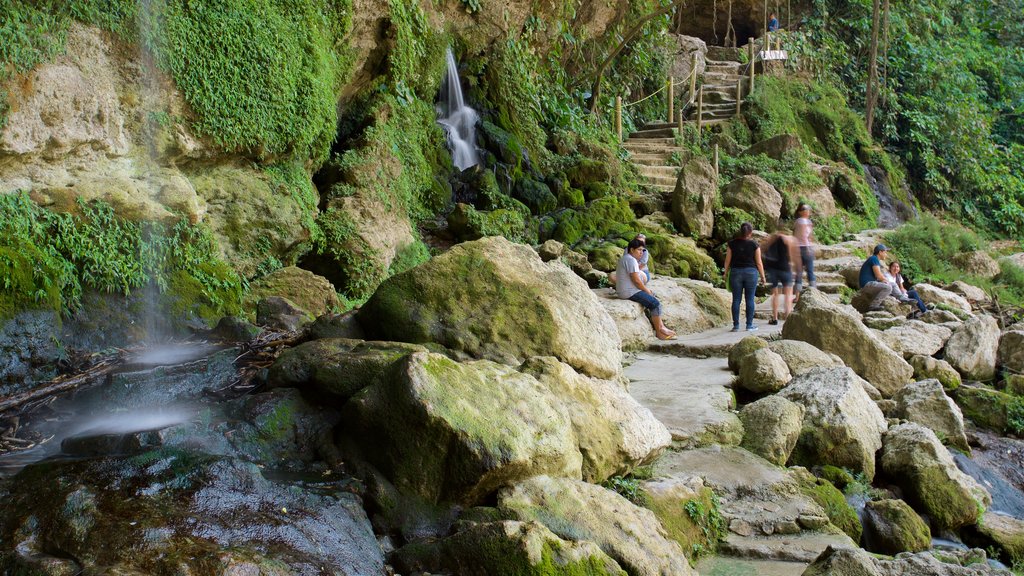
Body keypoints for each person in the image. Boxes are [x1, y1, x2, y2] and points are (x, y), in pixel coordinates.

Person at [616, 238, 676, 340]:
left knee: (653, 298)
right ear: (631, 249)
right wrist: (646, 290)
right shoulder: (631, 260)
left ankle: (662, 327)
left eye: (643, 250)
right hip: (629, 292)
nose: (641, 253)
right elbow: (636, 280)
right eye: (639, 250)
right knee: (655, 304)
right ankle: (660, 332)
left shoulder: (626, 258)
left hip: (625, 290)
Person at [724, 222, 766, 332]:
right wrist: (763, 276)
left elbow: (727, 261)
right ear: (750, 233)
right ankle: (749, 325)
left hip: (736, 272)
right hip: (751, 273)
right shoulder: (754, 245)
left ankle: (736, 326)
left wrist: (725, 273)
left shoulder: (731, 244)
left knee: (736, 299)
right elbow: (759, 263)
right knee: (750, 299)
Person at [760, 224, 802, 325]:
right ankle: (787, 318)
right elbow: (793, 256)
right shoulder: (790, 239)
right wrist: (796, 269)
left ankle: (774, 318)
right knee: (788, 294)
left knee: (775, 294)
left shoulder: (772, 238)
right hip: (785, 269)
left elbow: (762, 250)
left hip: (773, 269)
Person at [858, 244, 893, 311]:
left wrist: (886, 281)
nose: (886, 254)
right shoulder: (874, 259)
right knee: (888, 287)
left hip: (870, 283)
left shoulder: (874, 259)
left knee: (892, 284)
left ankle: (901, 297)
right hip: (867, 284)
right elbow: (879, 276)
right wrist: (886, 281)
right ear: (880, 252)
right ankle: (873, 306)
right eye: (885, 252)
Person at [793, 204, 816, 293]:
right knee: (810, 271)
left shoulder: (797, 222)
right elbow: (807, 236)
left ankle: (797, 296)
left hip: (797, 248)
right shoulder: (806, 222)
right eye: (806, 209)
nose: (808, 211)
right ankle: (814, 292)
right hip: (806, 248)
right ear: (801, 212)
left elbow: (795, 235)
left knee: (799, 272)